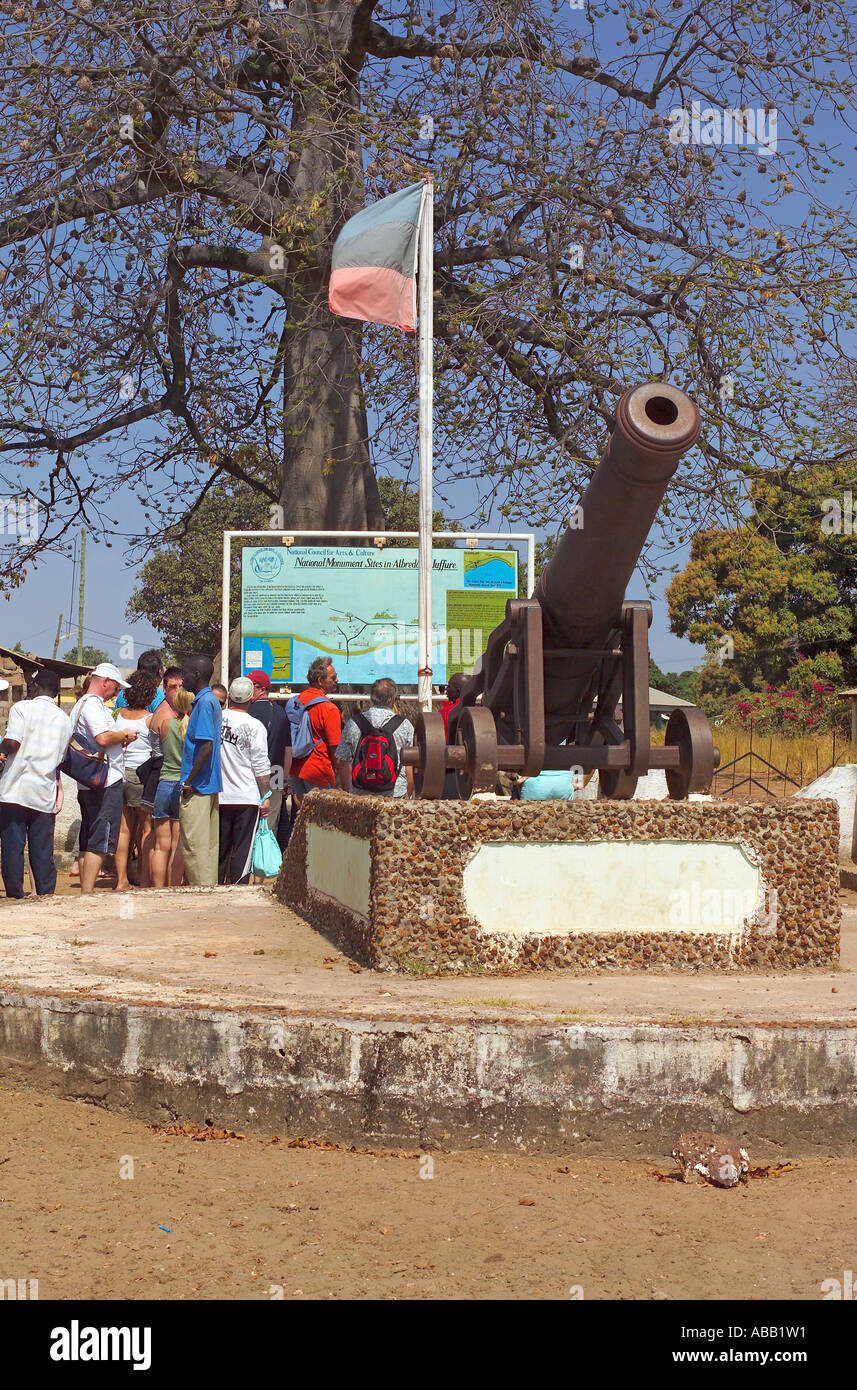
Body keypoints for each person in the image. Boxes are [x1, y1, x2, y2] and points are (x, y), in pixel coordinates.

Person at [0, 668, 71, 898]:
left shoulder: (22, 708)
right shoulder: (63, 718)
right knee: (42, 851)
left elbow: (12, 744)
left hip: (15, 790)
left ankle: (15, 896)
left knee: (13, 848)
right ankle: (45, 896)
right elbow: (61, 758)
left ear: (35, 687)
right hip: (43, 792)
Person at [68, 662, 137, 894]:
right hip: (105, 780)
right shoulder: (93, 706)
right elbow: (103, 738)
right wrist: (126, 735)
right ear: (105, 681)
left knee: (91, 838)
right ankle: (87, 894)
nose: (116, 693)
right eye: (115, 687)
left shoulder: (80, 705)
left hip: (90, 780)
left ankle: (86, 893)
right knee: (99, 840)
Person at [218, 677, 271, 885]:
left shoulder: (216, 719)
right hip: (247, 797)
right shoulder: (255, 726)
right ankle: (238, 890)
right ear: (251, 699)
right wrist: (265, 795)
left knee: (219, 850)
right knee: (242, 851)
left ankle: (215, 888)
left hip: (219, 796)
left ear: (229, 696)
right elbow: (261, 765)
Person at [178, 655, 222, 886]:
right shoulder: (210, 701)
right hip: (208, 785)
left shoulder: (204, 703)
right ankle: (208, 893)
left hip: (198, 786)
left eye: (184, 673)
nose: (181, 678)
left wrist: (189, 781)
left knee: (194, 846)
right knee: (207, 847)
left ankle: (201, 894)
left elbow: (206, 746)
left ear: (196, 675)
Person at [113, 670, 158, 891]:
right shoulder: (151, 720)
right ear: (150, 695)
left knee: (124, 830)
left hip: (119, 774)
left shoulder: (117, 715)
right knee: (145, 829)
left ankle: (121, 880)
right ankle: (142, 878)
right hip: (142, 777)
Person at [285, 658, 341, 827]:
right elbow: (335, 749)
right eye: (333, 677)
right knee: (322, 824)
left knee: (303, 822)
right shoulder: (329, 709)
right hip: (319, 772)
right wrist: (339, 778)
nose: (337, 680)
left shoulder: (295, 701)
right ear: (320, 681)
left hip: (296, 769)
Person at [335, 678, 413, 798]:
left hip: (360, 794)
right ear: (393, 699)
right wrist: (409, 791)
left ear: (371, 698)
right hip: (395, 794)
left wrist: (348, 791)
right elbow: (409, 763)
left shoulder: (353, 723)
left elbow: (343, 760)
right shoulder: (405, 725)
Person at [150, 685, 192, 888]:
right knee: (177, 845)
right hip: (183, 785)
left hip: (164, 783)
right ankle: (174, 887)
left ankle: (158, 889)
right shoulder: (192, 726)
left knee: (160, 845)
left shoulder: (165, 724)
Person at [246, 669, 291, 847]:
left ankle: (244, 870)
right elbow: (288, 750)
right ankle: (260, 873)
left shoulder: (245, 711)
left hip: (250, 775)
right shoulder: (281, 712)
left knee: (247, 828)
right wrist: (285, 780)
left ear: (260, 689)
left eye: (250, 686)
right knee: (268, 828)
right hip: (276, 774)